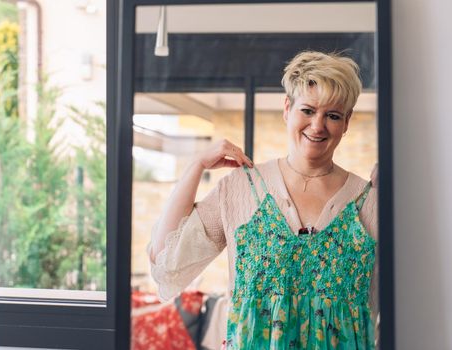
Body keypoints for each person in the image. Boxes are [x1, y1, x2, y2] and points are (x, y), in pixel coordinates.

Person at [148, 51, 378, 349]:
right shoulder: (240, 190)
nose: (318, 125)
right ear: (287, 109)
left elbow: (406, 298)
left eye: (332, 115)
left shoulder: (369, 201)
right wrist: (196, 166)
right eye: (308, 110)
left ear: (346, 123)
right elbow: (168, 260)